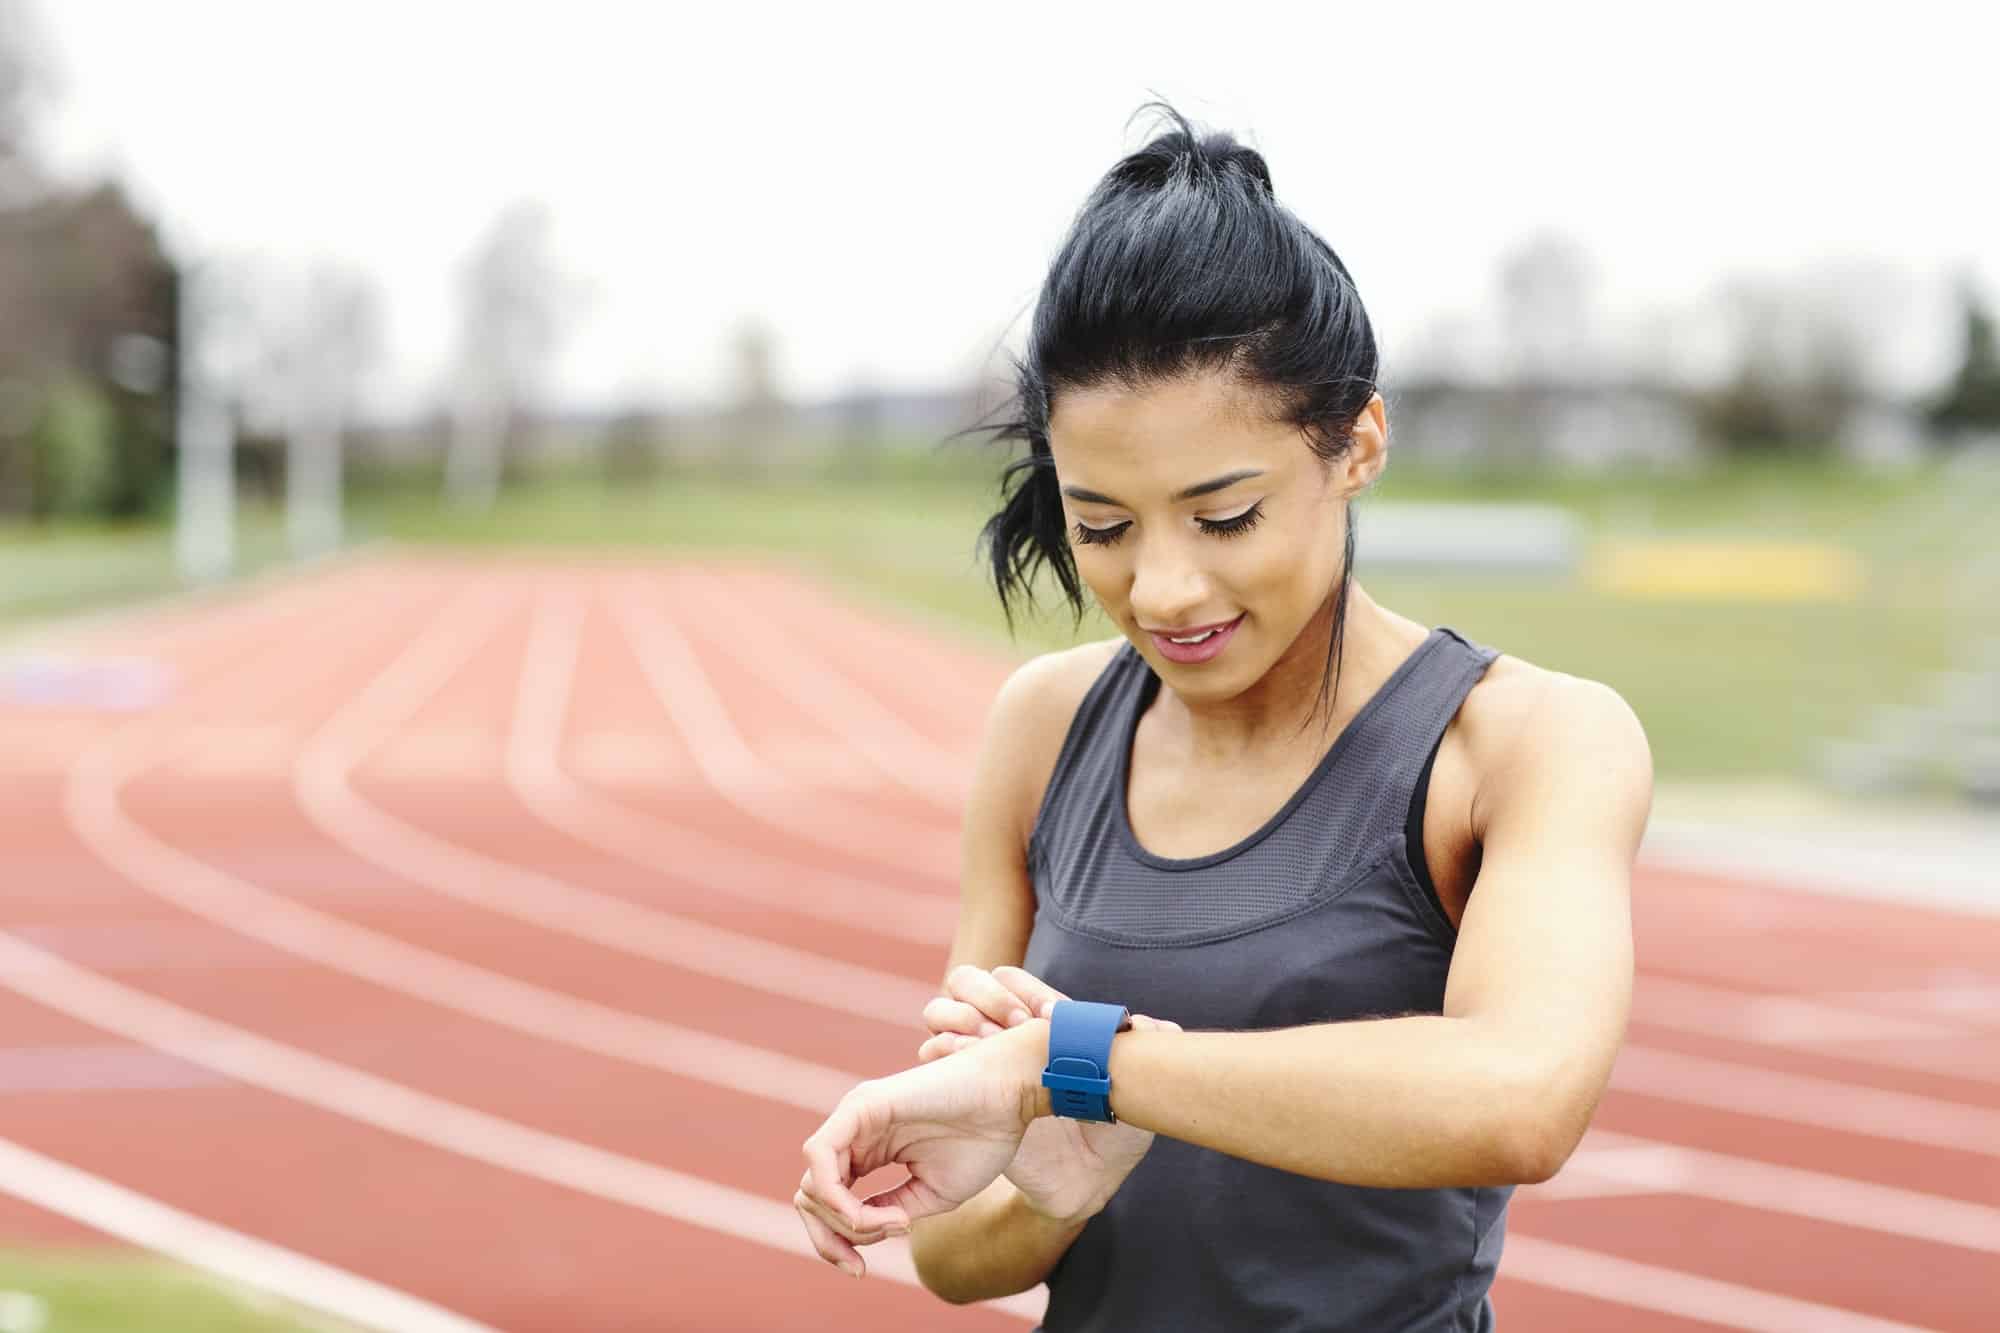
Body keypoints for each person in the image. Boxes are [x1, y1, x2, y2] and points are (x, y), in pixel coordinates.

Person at [792, 101, 1652, 1331]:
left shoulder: (1520, 742)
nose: (1162, 588)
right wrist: (1057, 1184)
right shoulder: (1044, 728)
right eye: (1100, 525)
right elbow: (952, 1256)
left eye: (1225, 515)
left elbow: (1518, 1095)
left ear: (1353, 444)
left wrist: (1078, 1065)